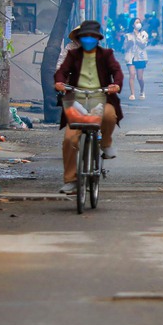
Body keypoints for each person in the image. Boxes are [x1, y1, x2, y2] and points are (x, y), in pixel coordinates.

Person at [54, 20, 124, 194]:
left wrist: (116, 84)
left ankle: (105, 143)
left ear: (98, 39)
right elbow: (61, 71)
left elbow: (117, 71)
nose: (88, 40)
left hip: (101, 98)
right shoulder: (72, 54)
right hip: (76, 100)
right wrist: (59, 82)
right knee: (70, 139)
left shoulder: (107, 54)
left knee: (109, 116)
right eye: (85, 36)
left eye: (92, 36)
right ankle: (71, 180)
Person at [125, 17, 150, 100]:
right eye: (136, 22)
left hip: (141, 57)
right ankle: (132, 94)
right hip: (130, 57)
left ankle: (142, 90)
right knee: (132, 74)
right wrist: (129, 43)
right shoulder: (128, 35)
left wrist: (136, 35)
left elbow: (143, 44)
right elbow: (125, 47)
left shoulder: (144, 34)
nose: (138, 24)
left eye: (139, 22)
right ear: (132, 25)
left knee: (140, 78)